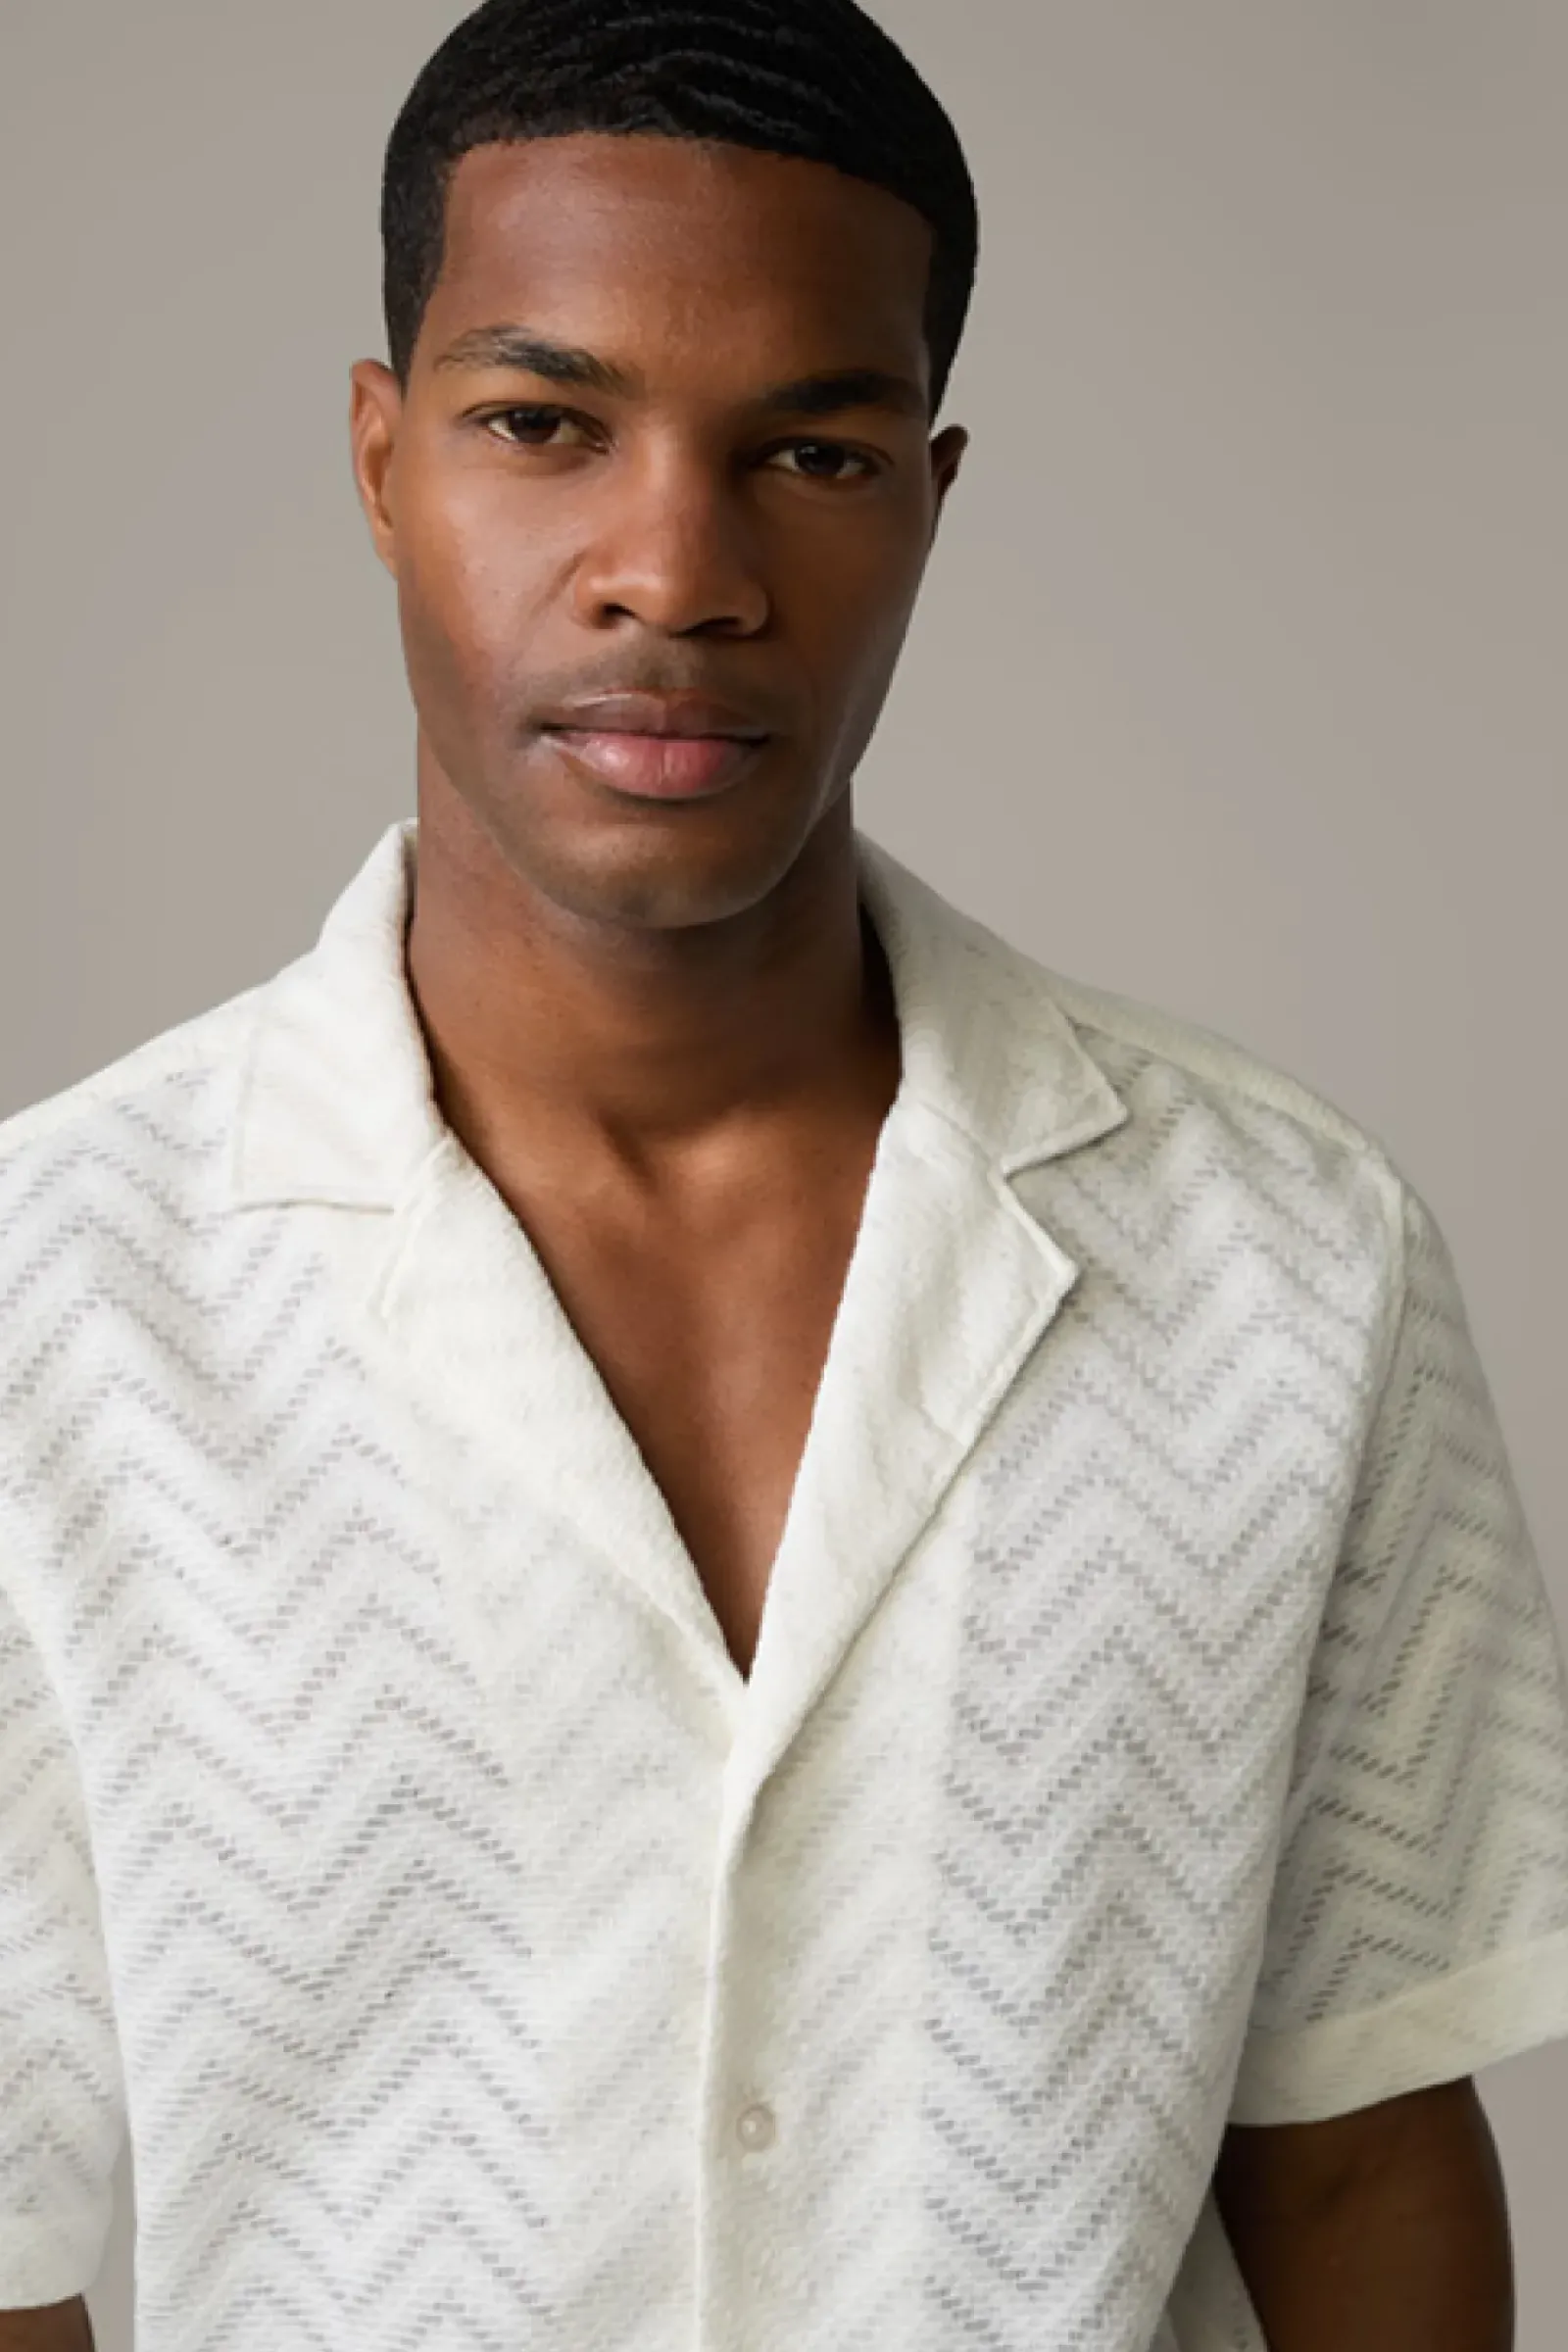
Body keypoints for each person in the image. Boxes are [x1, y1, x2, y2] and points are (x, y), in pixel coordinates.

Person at [2, 2, 1566, 2347]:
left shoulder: (1283, 1260)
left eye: (809, 455)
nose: (673, 570)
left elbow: (1352, 2162)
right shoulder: (55, 1302)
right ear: (382, 460)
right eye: (543, 425)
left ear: (928, 496)